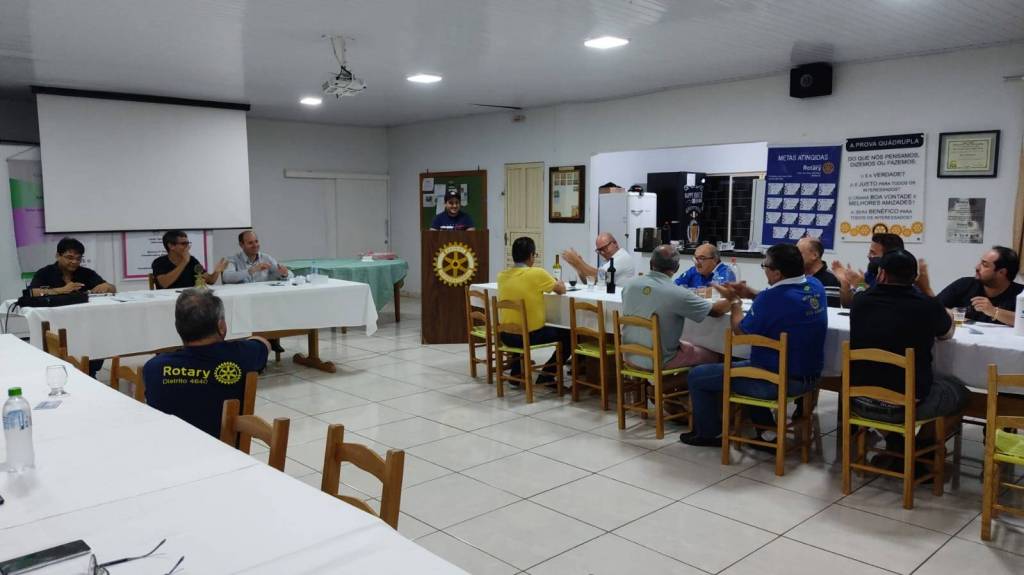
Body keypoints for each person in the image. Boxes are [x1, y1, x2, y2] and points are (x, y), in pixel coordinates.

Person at [681, 244, 827, 446]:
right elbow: (782, 302)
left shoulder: (770, 299)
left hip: (777, 380)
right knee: (749, 365)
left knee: (698, 375)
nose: (764, 270)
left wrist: (734, 302)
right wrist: (751, 294)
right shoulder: (815, 285)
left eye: (765, 266)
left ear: (777, 273)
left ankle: (709, 434)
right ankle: (767, 433)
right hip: (811, 376)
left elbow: (740, 332)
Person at [848, 249, 969, 462]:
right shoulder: (926, 306)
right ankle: (920, 446)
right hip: (904, 407)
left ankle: (897, 443)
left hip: (859, 402)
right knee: (961, 392)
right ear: (915, 278)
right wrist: (928, 289)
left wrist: (857, 283)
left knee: (887, 378)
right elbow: (947, 333)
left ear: (881, 274)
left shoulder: (859, 302)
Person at [144, 289, 270, 437]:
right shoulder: (241, 355)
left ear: (178, 328)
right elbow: (264, 343)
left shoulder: (154, 368)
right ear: (221, 326)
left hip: (168, 447)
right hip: (223, 448)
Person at [621, 245, 730, 369]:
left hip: (629, 356)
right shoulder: (676, 293)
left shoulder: (629, 286)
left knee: (687, 345)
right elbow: (716, 311)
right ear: (677, 268)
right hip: (659, 360)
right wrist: (734, 300)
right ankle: (673, 381)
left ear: (651, 263)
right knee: (716, 356)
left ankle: (665, 381)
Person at [497, 237, 569, 382]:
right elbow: (561, 290)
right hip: (528, 336)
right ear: (531, 255)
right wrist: (558, 282)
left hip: (505, 336)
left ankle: (516, 374)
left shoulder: (502, 276)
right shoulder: (537, 273)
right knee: (569, 335)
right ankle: (547, 375)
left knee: (519, 324)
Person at [916, 246, 1021, 326]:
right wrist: (951, 314)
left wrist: (993, 311)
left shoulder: (1021, 294)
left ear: (1002, 272)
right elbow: (935, 308)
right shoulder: (965, 284)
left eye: (985, 265)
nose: (977, 267)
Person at [832, 232, 905, 307]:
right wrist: (845, 284)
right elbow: (849, 305)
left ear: (890, 256)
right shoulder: (871, 274)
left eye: (873, 253)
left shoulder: (900, 278)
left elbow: (881, 307)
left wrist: (860, 284)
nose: (868, 255)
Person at [30, 237, 115, 296]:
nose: (74, 262)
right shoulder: (45, 272)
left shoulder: (86, 273)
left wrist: (107, 287)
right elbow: (32, 293)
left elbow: (112, 288)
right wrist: (61, 290)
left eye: (78, 258)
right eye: (69, 258)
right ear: (58, 256)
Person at [152, 230, 228, 289]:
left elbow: (210, 281)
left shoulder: (192, 261)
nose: (187, 247)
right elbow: (164, 284)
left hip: (188, 298)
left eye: (188, 243)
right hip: (166, 300)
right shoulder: (159, 262)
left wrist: (217, 271)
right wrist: (184, 262)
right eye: (183, 244)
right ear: (171, 246)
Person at [561, 232, 636, 284]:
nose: (602, 252)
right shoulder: (607, 261)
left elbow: (600, 276)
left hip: (618, 301)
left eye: (605, 248)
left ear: (615, 243)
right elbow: (589, 281)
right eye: (599, 250)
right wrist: (578, 267)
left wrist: (579, 262)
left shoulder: (622, 257)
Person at [222, 230, 292, 284]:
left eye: (256, 241)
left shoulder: (266, 258)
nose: (255, 245)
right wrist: (251, 270)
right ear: (241, 245)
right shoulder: (233, 260)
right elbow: (227, 278)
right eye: (250, 243)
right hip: (241, 297)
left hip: (262, 296)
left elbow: (290, 275)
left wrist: (285, 274)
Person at [797, 236, 840, 306]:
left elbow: (830, 310)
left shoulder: (830, 279)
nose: (795, 256)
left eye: (799, 253)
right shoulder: (795, 275)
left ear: (814, 255)